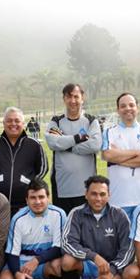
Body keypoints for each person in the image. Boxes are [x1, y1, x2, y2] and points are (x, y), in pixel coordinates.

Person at [60, 175, 133, 279]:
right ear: (86, 194)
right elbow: (67, 242)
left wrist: (111, 269)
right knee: (67, 262)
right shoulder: (76, 213)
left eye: (102, 194)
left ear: (109, 195)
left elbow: (128, 248)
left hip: (110, 266)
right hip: (85, 263)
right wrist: (94, 257)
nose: (98, 198)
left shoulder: (119, 215)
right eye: (93, 194)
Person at [0, 179, 66, 279]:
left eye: (41, 197)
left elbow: (59, 247)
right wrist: (17, 273)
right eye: (33, 198)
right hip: (22, 262)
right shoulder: (18, 218)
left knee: (60, 265)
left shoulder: (59, 214)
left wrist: (36, 261)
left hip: (44, 262)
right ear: (27, 200)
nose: (37, 202)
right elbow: (12, 252)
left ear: (48, 197)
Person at [0, 107, 48, 217]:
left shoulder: (34, 145)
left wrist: (30, 184)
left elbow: (43, 169)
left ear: (23, 123)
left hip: (25, 207)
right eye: (9, 120)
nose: (13, 124)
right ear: (3, 123)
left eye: (17, 121)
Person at [45, 83, 102, 214]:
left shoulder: (91, 121)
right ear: (64, 99)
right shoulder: (56, 121)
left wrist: (66, 145)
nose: (73, 101)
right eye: (69, 97)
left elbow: (94, 145)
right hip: (62, 188)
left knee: (88, 228)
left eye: (76, 97)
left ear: (82, 98)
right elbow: (53, 143)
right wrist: (77, 138)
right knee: (65, 228)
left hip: (88, 188)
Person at [101, 92, 140, 221]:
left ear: (137, 108)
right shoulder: (109, 132)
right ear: (118, 110)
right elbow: (107, 154)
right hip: (118, 199)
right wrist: (137, 153)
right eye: (123, 106)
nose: (128, 109)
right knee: (121, 240)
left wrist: (118, 159)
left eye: (131, 105)